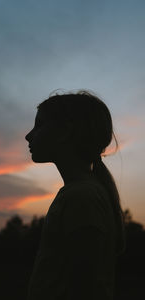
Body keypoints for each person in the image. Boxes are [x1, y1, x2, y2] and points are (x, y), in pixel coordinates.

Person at [25, 90, 126, 300]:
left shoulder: (82, 197)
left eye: (39, 124)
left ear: (64, 132)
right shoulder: (81, 192)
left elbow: (85, 287)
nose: (29, 135)